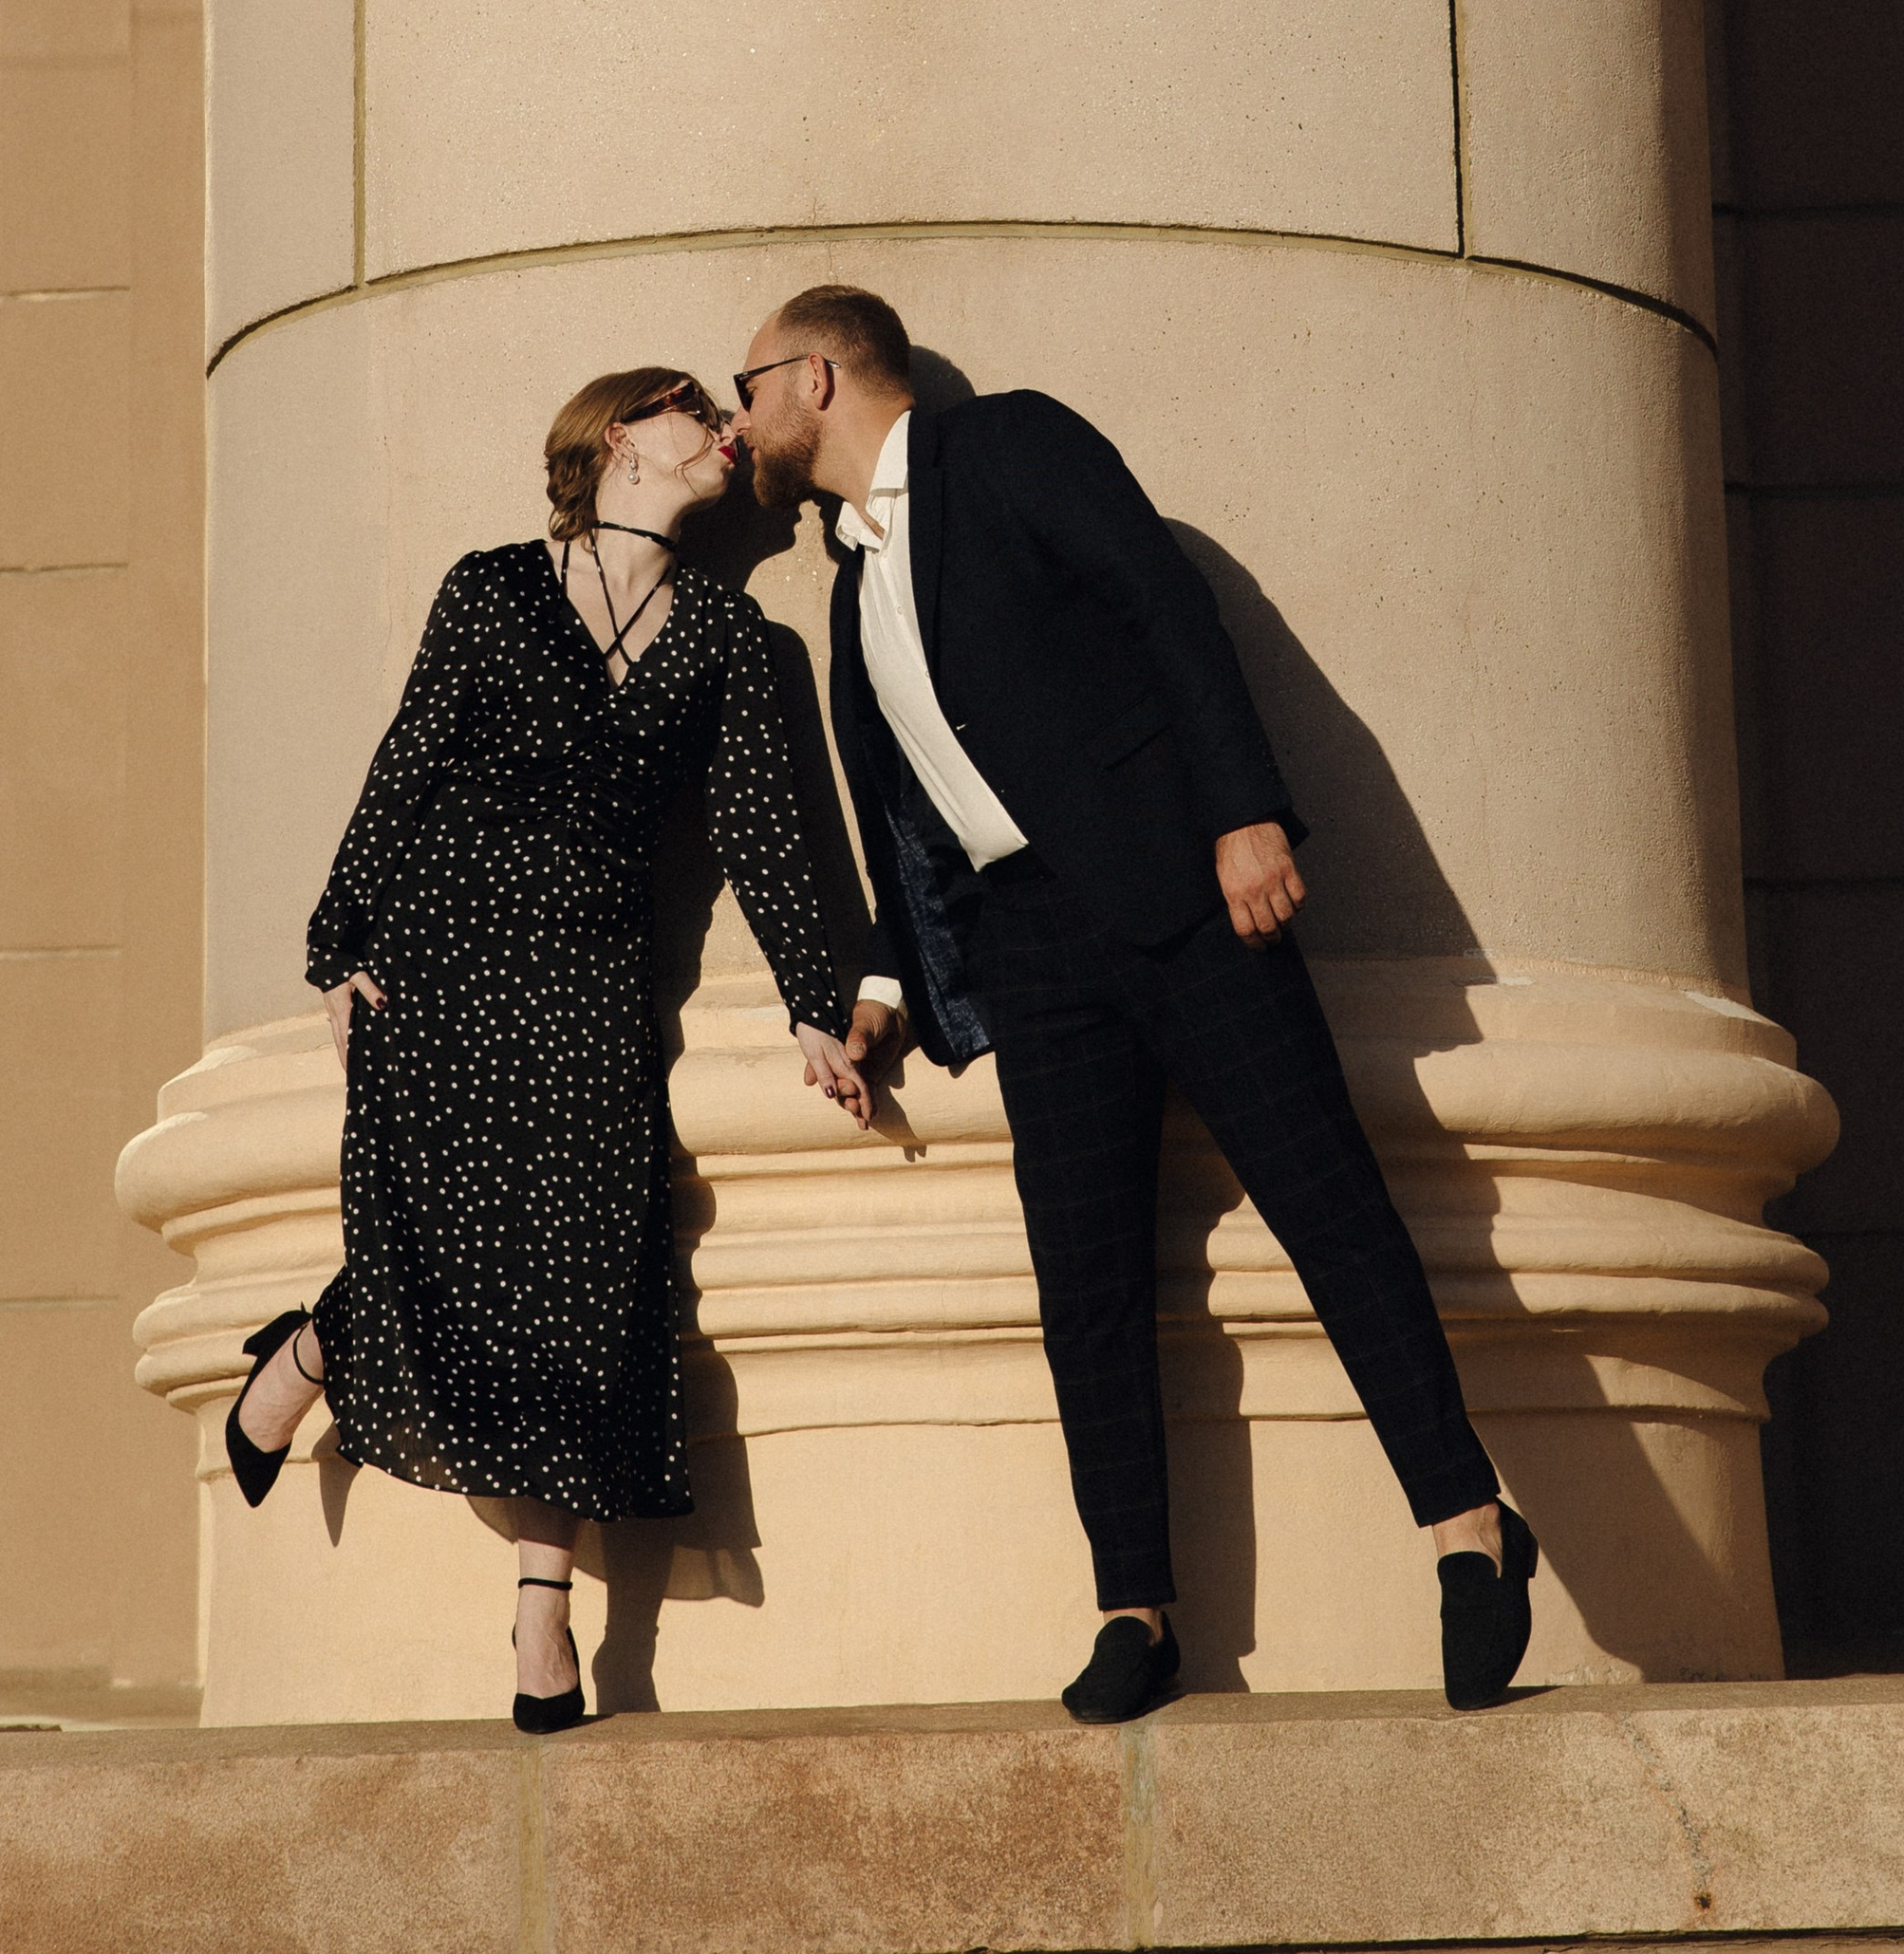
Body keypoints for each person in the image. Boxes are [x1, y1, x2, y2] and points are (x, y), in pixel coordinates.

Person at [730, 283, 1537, 1722]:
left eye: (745, 393)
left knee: (1328, 1204)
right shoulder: (854, 576)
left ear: (812, 378)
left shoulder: (1010, 446)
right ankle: (1137, 1610)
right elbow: (904, 810)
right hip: (1029, 951)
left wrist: (1245, 813)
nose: (741, 427)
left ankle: (1470, 1533)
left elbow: (1168, 601)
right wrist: (883, 984)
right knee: (1084, 1284)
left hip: (1181, 901)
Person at [221, 366, 867, 1732]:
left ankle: (537, 1616)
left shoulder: (736, 643)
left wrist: (817, 998)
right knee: (443, 1254)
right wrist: (338, 946)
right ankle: (311, 1355)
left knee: (579, 1291)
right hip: (442, 973)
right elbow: (409, 762)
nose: (726, 426)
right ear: (622, 434)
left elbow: (766, 837)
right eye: (697, 404)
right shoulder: (492, 588)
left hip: (588, 994)